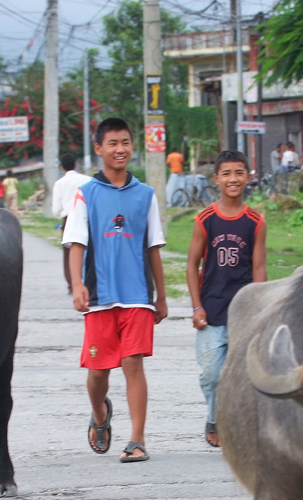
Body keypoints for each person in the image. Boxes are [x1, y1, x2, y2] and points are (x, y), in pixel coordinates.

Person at [62, 117, 168, 463]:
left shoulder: (145, 196)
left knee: (132, 364)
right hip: (99, 298)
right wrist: (77, 285)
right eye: (112, 143)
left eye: (125, 142)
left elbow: (153, 248)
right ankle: (99, 415)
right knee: (98, 373)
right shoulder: (86, 195)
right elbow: (76, 243)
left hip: (137, 295)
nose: (119, 149)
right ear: (98, 149)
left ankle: (137, 439)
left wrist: (161, 297)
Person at [185, 151, 267, 448]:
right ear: (217, 178)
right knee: (212, 374)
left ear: (248, 176)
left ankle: (233, 423)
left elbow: (259, 268)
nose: (234, 179)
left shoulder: (256, 221)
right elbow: (192, 265)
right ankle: (214, 414)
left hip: (243, 310)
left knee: (243, 371)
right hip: (212, 309)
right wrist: (196, 306)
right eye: (227, 173)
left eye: (239, 173)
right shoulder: (205, 220)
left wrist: (259, 309)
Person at [50, 153, 92, 293]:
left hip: (68, 219)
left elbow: (56, 208)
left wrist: (61, 215)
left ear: (62, 167)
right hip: (88, 218)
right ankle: (89, 280)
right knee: (90, 250)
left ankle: (72, 285)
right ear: (76, 165)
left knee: (69, 253)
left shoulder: (59, 183)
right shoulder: (88, 180)